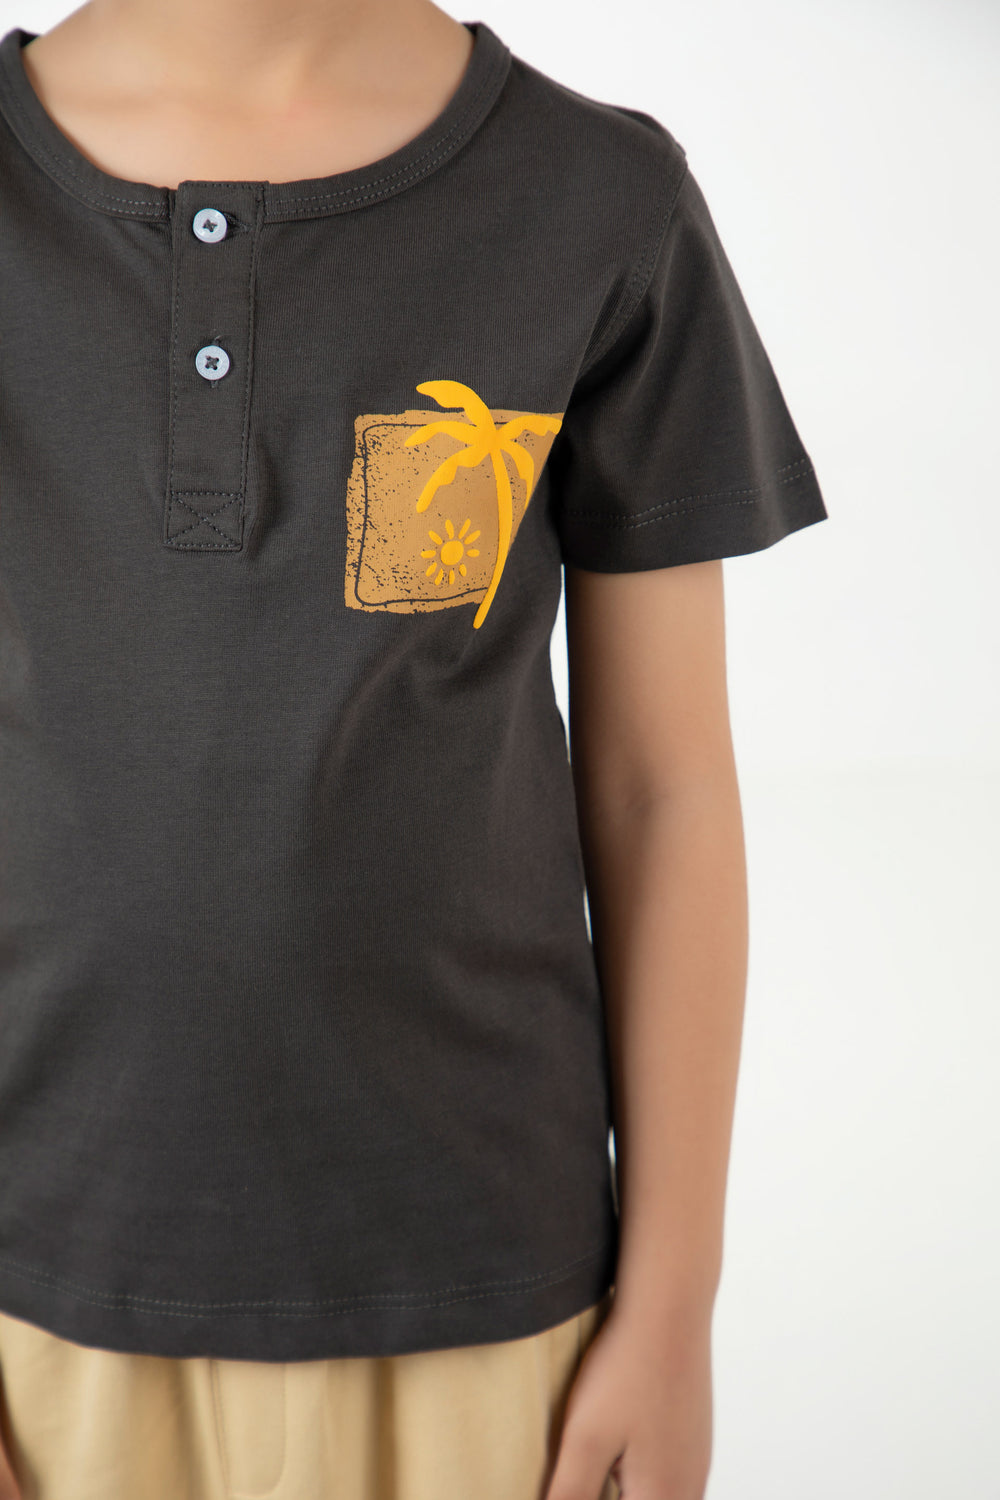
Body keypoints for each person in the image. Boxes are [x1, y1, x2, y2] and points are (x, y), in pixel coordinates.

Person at [0, 0, 828, 1495]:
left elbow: (663, 791)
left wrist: (674, 1305)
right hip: (29, 1313)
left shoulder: (599, 201)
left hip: (490, 1307)